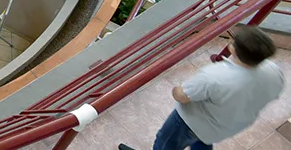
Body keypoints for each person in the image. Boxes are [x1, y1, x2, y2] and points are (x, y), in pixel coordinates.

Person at [118, 27, 283, 150]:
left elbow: (181, 96)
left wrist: (176, 89)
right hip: (228, 125)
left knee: (165, 144)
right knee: (202, 142)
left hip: (190, 124)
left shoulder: (215, 76)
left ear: (234, 49)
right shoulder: (274, 71)